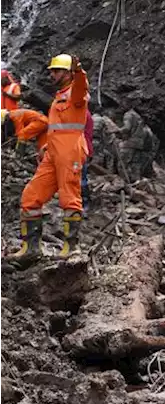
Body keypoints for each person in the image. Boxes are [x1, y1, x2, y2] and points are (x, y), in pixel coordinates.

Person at [13, 55, 89, 262]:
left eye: (56, 71)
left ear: (67, 73)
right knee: (31, 197)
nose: (51, 74)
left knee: (69, 197)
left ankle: (71, 248)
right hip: (54, 150)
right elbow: (58, 126)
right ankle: (31, 248)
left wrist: (79, 71)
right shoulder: (59, 96)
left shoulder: (76, 92)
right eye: (51, 71)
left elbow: (82, 88)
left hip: (71, 150)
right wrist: (47, 145)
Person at [117, 109, 158, 183]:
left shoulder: (128, 114)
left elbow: (127, 128)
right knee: (135, 164)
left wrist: (116, 130)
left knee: (122, 163)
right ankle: (137, 182)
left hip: (131, 143)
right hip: (140, 144)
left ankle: (123, 183)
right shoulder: (138, 116)